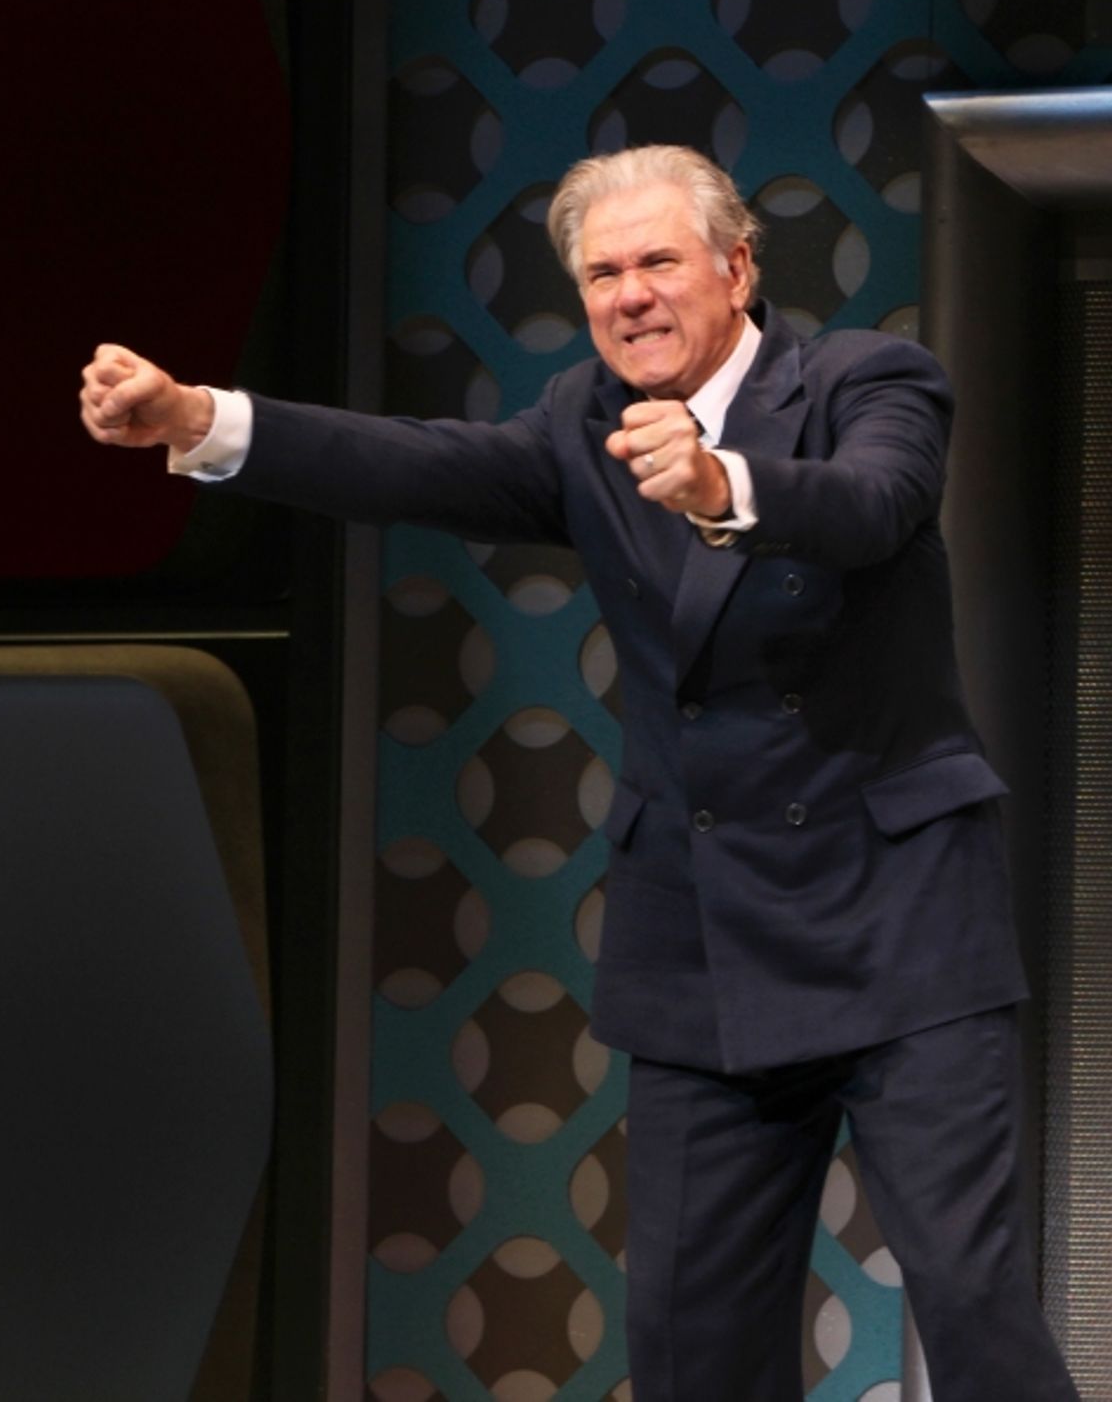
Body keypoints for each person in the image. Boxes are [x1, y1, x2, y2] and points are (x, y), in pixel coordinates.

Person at [80, 145, 1078, 1401]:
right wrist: (197, 418)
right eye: (603, 272)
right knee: (689, 1349)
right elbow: (414, 463)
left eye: (659, 260)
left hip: (899, 929)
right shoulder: (582, 423)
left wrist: (725, 485)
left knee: (975, 1311)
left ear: (738, 267)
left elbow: (875, 504)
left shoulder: (866, 379)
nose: (631, 294)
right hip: (699, 951)